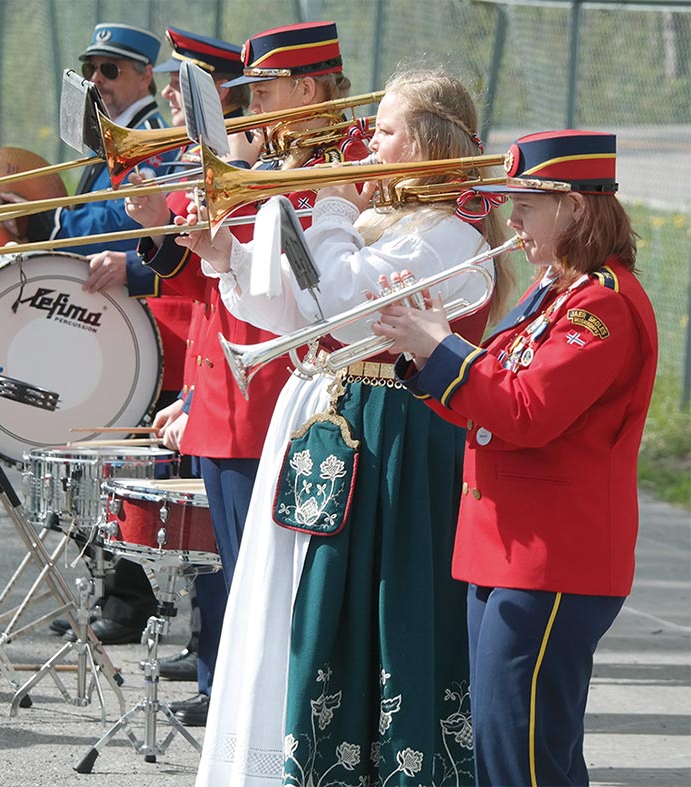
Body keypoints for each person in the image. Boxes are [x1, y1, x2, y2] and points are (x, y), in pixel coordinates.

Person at [179, 67, 516, 785]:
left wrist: (329, 209)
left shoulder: (450, 237)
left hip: (400, 440)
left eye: (386, 131)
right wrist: (227, 261)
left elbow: (341, 302)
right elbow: (306, 315)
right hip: (352, 423)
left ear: (425, 142)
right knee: (318, 605)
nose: (367, 143)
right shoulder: (389, 221)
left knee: (386, 609)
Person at [372, 129, 658, 787]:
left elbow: (527, 412)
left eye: (526, 203)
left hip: (553, 559)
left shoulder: (601, 305)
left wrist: (445, 345)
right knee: (525, 753)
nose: (513, 219)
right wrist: (424, 355)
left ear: (577, 208)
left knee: (518, 760)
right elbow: (488, 405)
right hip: (508, 554)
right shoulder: (553, 292)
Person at [126, 21, 371, 728]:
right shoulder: (277, 159)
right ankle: (261, 716)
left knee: (295, 585)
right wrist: (176, 230)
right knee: (251, 575)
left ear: (304, 86)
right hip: (252, 384)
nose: (252, 105)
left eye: (261, 89)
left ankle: (295, 721)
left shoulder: (348, 157)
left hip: (302, 391)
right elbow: (216, 280)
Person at [14, 22, 182, 646]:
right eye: (92, 69)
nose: (97, 82)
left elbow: (131, 210)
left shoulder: (157, 141)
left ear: (146, 75)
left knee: (123, 460)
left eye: (111, 71)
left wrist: (56, 213)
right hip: (106, 313)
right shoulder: (107, 139)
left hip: (148, 323)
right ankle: (109, 588)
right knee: (93, 455)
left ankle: (132, 599)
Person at [137, 25, 251, 687]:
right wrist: (157, 226)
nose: (170, 99)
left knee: (231, 553)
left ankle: (222, 678)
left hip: (235, 382)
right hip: (207, 372)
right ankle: (213, 664)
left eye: (183, 86)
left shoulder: (234, 163)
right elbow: (198, 277)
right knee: (214, 549)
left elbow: (222, 284)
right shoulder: (204, 160)